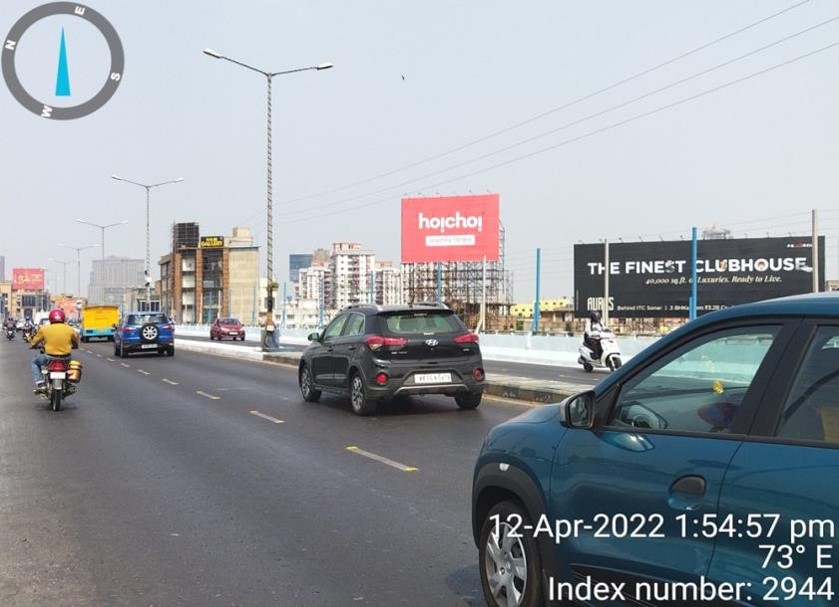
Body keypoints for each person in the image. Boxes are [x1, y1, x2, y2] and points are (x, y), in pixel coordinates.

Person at [28, 309, 79, 392]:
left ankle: (40, 382)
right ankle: (68, 383)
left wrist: (33, 345)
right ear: (63, 318)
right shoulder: (70, 329)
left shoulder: (44, 329)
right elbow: (76, 342)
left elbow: (34, 342)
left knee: (34, 361)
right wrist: (74, 346)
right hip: (66, 358)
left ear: (50, 318)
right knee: (70, 366)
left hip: (49, 357)